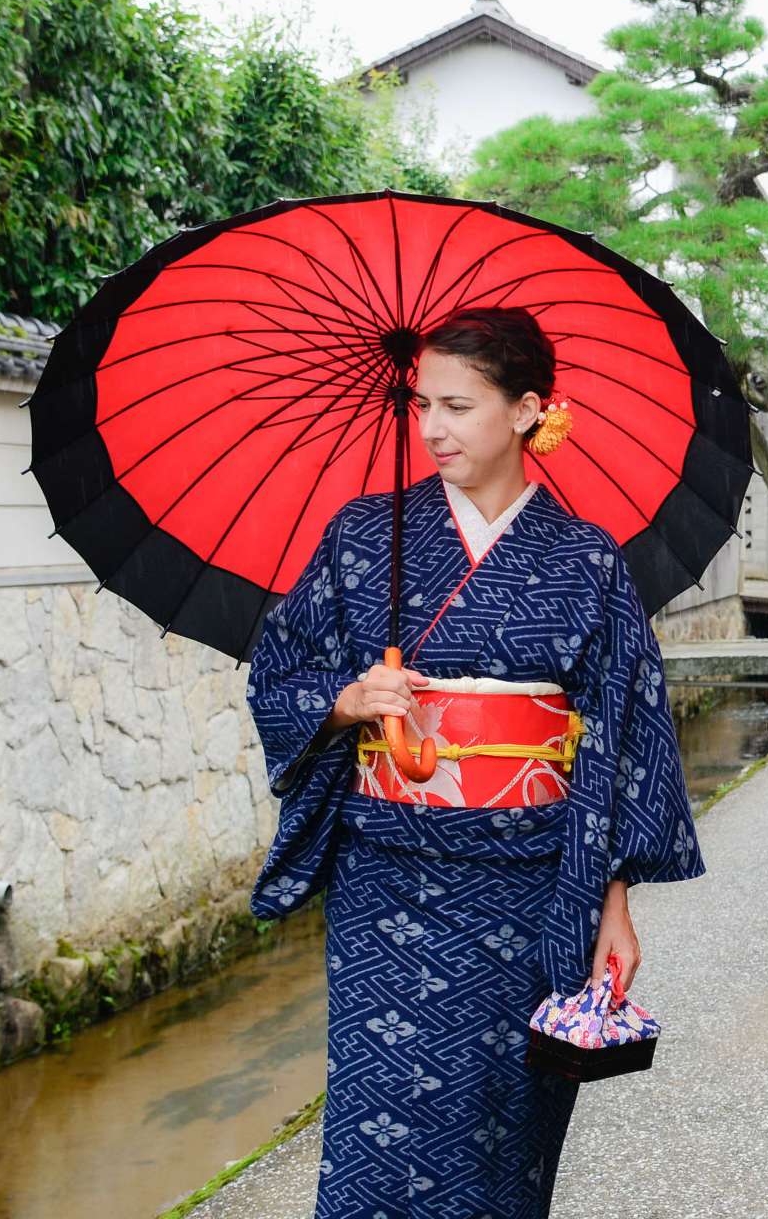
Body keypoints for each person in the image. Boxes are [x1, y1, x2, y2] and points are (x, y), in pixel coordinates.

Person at [246, 307, 702, 1218]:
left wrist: (613, 903)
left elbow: (618, 741)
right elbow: (279, 668)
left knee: (504, 1131)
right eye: (422, 406)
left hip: (530, 885)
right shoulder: (363, 534)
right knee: (376, 1128)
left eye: (458, 406)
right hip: (387, 880)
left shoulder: (586, 560)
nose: (433, 429)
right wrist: (345, 702)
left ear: (529, 409)